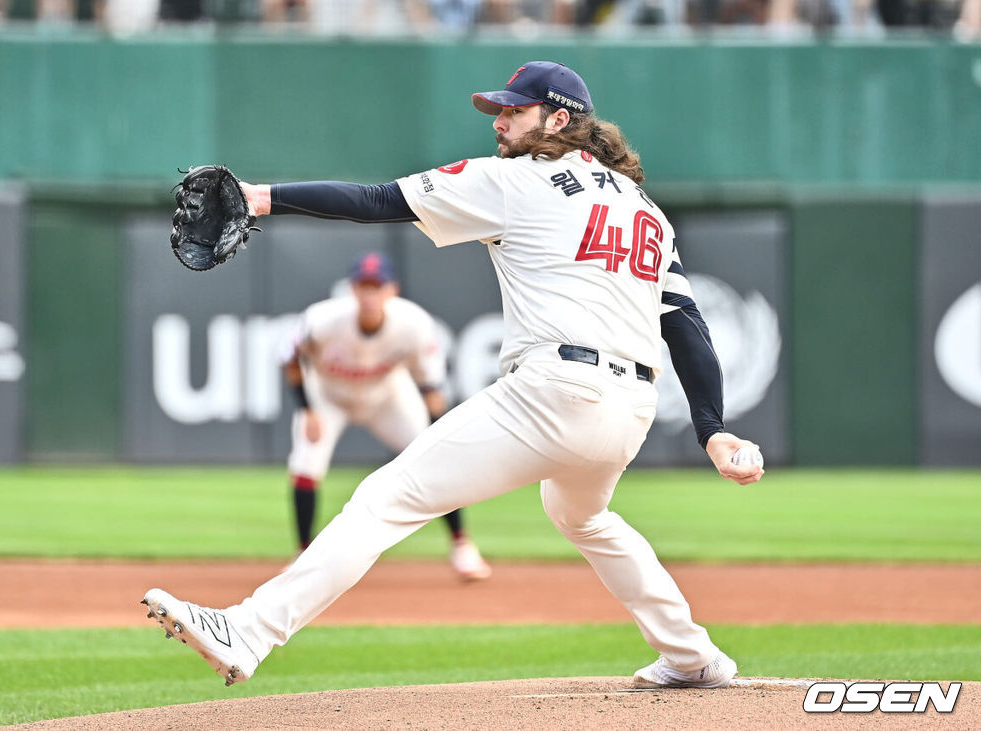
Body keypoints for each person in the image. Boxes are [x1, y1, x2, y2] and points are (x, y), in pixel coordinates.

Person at [142, 60, 765, 689]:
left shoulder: (517, 180)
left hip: (555, 392)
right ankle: (691, 656)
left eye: (513, 110)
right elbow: (685, 321)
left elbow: (380, 201)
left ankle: (248, 631)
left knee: (387, 498)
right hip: (629, 409)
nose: (499, 121)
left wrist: (260, 197)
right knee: (583, 515)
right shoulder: (646, 211)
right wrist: (711, 427)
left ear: (559, 119)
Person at [280, 251, 490, 580]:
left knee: (435, 463)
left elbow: (431, 387)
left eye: (376, 286)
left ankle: (462, 546)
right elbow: (290, 359)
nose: (369, 294)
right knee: (306, 466)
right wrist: (307, 409)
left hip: (387, 397)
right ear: (352, 289)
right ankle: (302, 557)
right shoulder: (323, 318)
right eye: (363, 285)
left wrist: (438, 436)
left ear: (392, 290)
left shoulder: (414, 324)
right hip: (328, 396)